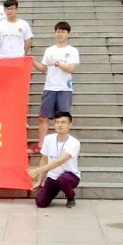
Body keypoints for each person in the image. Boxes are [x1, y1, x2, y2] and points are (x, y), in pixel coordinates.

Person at [32, 21, 80, 154]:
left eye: (63, 32)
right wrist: (33, 62)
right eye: (58, 32)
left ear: (68, 34)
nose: (60, 34)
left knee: (63, 119)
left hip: (64, 89)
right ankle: (41, 145)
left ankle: (63, 145)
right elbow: (44, 68)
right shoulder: (49, 50)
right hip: (50, 87)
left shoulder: (72, 51)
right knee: (43, 117)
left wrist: (58, 64)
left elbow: (71, 68)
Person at [28, 112, 81, 208]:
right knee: (40, 203)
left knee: (63, 179)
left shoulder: (74, 143)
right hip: (53, 176)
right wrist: (39, 181)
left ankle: (70, 197)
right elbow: (44, 160)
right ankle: (54, 188)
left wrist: (36, 171)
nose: (60, 125)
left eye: (63, 122)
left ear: (70, 125)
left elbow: (59, 161)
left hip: (70, 176)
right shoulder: (48, 139)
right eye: (57, 122)